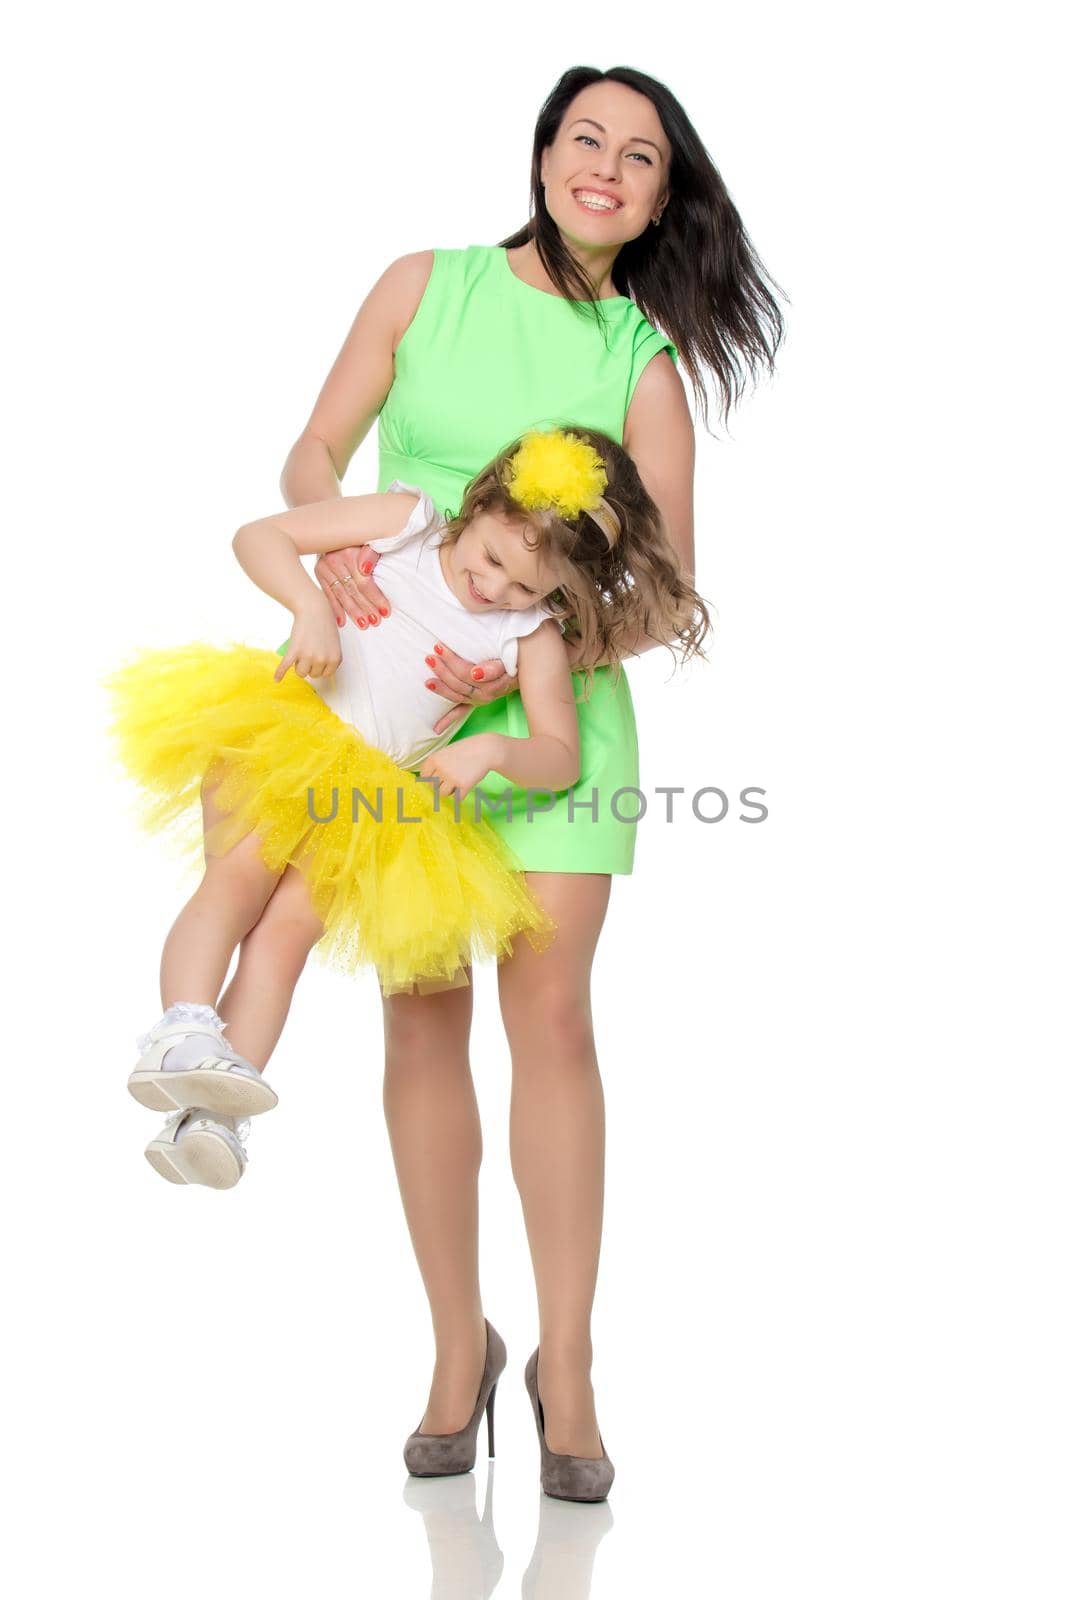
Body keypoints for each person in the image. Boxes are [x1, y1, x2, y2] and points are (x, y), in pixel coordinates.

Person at [219, 64, 782, 1498]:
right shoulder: (426, 283)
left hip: (550, 727)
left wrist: (540, 641)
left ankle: (569, 1364)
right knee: (419, 1019)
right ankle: (452, 1353)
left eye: (639, 156)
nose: (604, 167)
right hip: (392, 707)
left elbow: (668, 589)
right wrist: (331, 554)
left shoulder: (641, 363)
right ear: (540, 157)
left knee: (550, 1022)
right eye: (582, 138)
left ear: (662, 196)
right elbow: (310, 448)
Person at [107, 426, 709, 1193]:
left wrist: (492, 752)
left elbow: (560, 757)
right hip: (283, 733)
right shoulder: (406, 522)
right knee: (240, 881)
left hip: (366, 797)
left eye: (526, 588)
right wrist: (308, 606)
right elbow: (260, 536)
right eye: (492, 560)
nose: (495, 591)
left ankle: (209, 1115)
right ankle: (182, 1028)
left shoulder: (531, 637)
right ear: (480, 503)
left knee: (288, 934)